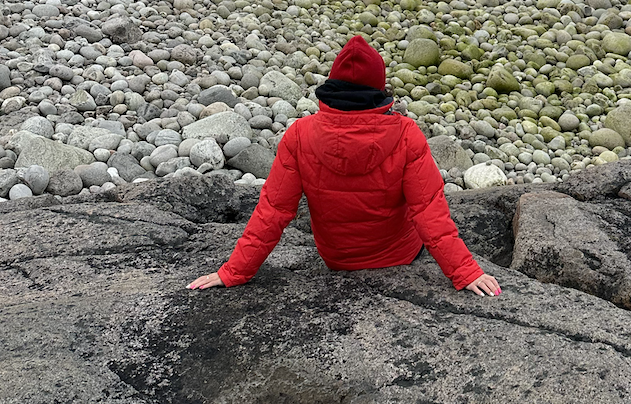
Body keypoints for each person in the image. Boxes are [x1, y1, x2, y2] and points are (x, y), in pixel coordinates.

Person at [186, 34, 501, 297]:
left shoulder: (300, 134)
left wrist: (234, 271)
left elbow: (273, 211)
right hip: (400, 256)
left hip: (337, 259)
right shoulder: (406, 134)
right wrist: (464, 271)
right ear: (380, 89)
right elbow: (429, 212)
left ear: (332, 86)